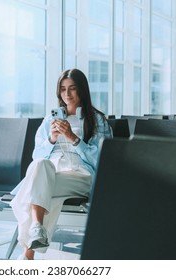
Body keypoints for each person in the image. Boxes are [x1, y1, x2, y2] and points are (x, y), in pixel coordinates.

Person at [10, 68, 113, 260]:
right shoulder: (50, 119)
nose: (67, 94)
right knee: (41, 165)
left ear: (82, 90)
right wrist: (51, 139)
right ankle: (35, 232)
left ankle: (28, 252)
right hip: (51, 173)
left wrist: (74, 138)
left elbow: (102, 161)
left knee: (39, 189)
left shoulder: (96, 120)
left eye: (72, 89)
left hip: (81, 175)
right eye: (63, 89)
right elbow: (36, 156)